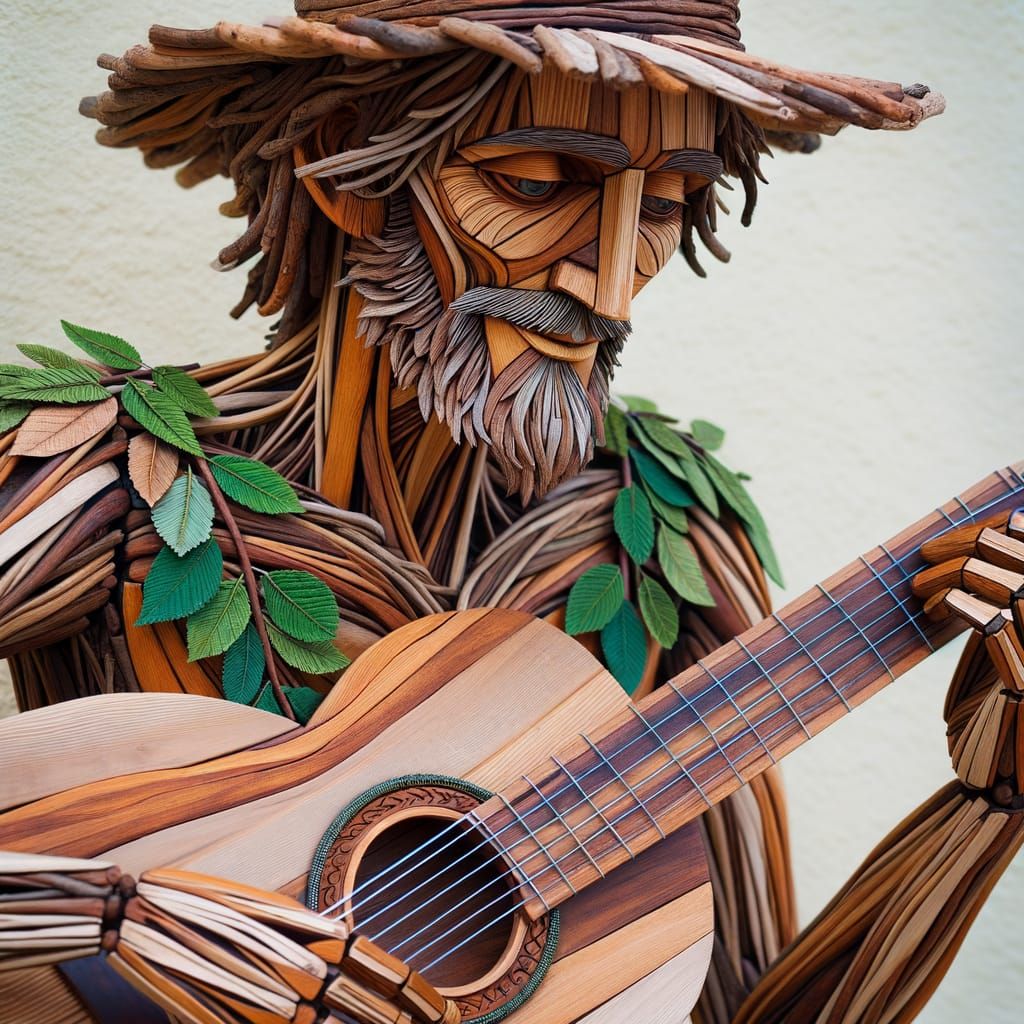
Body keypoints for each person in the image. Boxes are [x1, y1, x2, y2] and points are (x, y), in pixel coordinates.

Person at [1, 3, 1020, 1022]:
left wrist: (986, 808)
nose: (610, 287)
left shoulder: (660, 535)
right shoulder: (104, 478)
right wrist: (114, 920)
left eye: (665, 206)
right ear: (345, 165)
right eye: (535, 183)